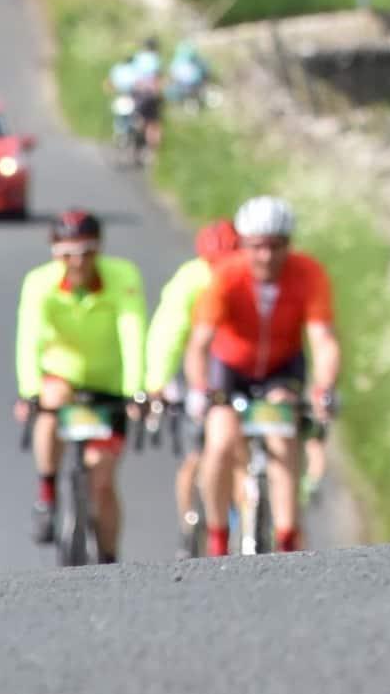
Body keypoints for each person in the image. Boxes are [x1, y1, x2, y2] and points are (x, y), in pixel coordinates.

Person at [184, 195, 340, 556]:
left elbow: (323, 340)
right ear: (243, 244)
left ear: (289, 244)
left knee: (283, 433)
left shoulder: (308, 273)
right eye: (257, 247)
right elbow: (199, 344)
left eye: (276, 246)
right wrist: (198, 389)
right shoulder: (226, 276)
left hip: (281, 367)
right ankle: (218, 537)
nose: (267, 257)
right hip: (231, 368)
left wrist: (324, 386)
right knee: (220, 441)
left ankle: (287, 537)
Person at [14, 209, 146, 557]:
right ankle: (46, 493)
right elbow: (29, 339)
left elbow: (132, 332)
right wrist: (29, 390)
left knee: (101, 482)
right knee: (50, 402)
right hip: (62, 377)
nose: (78, 262)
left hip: (109, 386)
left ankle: (109, 557)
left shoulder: (122, 276)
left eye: (87, 252)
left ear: (100, 249)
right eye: (67, 254)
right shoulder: (39, 282)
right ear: (55, 253)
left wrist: (136, 390)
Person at [142, 216, 240, 554]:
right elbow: (167, 333)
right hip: (193, 365)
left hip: (231, 365)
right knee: (194, 455)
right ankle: (188, 527)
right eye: (214, 264)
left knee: (238, 445)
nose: (220, 270)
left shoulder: (245, 277)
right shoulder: (190, 280)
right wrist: (157, 382)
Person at [105, 35, 165, 157]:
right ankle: (151, 150)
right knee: (152, 122)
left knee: (137, 117)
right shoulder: (155, 59)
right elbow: (156, 79)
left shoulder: (137, 58)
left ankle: (134, 141)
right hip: (148, 94)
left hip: (135, 94)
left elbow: (122, 80)